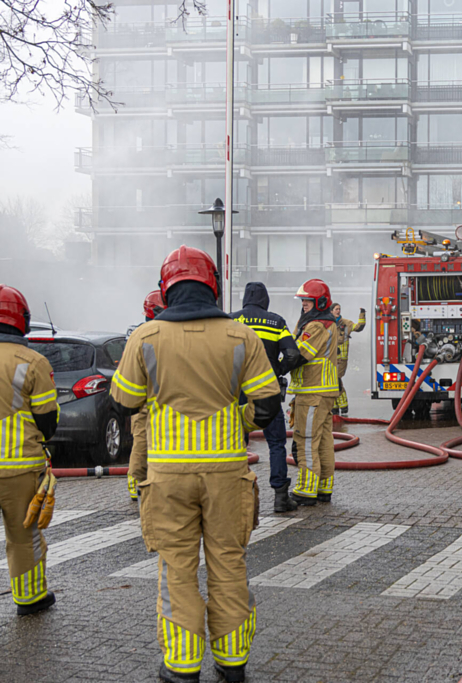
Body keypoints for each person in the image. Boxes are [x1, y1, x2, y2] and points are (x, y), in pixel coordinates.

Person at [110, 247, 281, 683]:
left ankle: (183, 667)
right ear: (213, 285)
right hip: (226, 472)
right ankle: (232, 661)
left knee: (177, 567)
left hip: (167, 473)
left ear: (167, 288)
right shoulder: (241, 336)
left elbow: (122, 401)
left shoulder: (145, 338)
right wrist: (238, 422)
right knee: (228, 561)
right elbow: (267, 404)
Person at [0, 284, 59, 616]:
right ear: (21, 318)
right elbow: (48, 420)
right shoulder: (33, 361)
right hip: (19, 468)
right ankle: (30, 599)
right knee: (24, 536)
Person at [232, 282, 304, 513]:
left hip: (236, 390)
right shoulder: (275, 321)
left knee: (235, 442)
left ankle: (233, 496)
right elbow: (293, 354)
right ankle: (280, 498)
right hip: (267, 389)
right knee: (276, 443)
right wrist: (278, 371)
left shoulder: (230, 320)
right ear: (266, 299)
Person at [287, 279, 339, 506]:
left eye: (308, 300)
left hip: (312, 391)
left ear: (319, 301)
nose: (304, 304)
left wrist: (278, 364)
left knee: (306, 439)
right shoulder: (326, 323)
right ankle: (323, 487)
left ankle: (306, 489)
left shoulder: (316, 326)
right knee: (324, 440)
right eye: (303, 300)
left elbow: (299, 354)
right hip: (323, 392)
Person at [126, 290, 165, 502]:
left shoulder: (138, 336)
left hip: (143, 399)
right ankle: (142, 480)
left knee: (141, 441)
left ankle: (137, 480)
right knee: (146, 442)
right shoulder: (164, 335)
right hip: (163, 399)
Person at [329, 302, 365, 416]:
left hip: (342, 359)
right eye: (336, 309)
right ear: (331, 311)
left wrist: (362, 314)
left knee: (337, 381)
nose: (338, 311)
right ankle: (335, 407)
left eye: (339, 309)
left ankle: (343, 407)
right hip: (330, 358)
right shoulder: (328, 324)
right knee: (332, 382)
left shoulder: (346, 323)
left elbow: (358, 327)